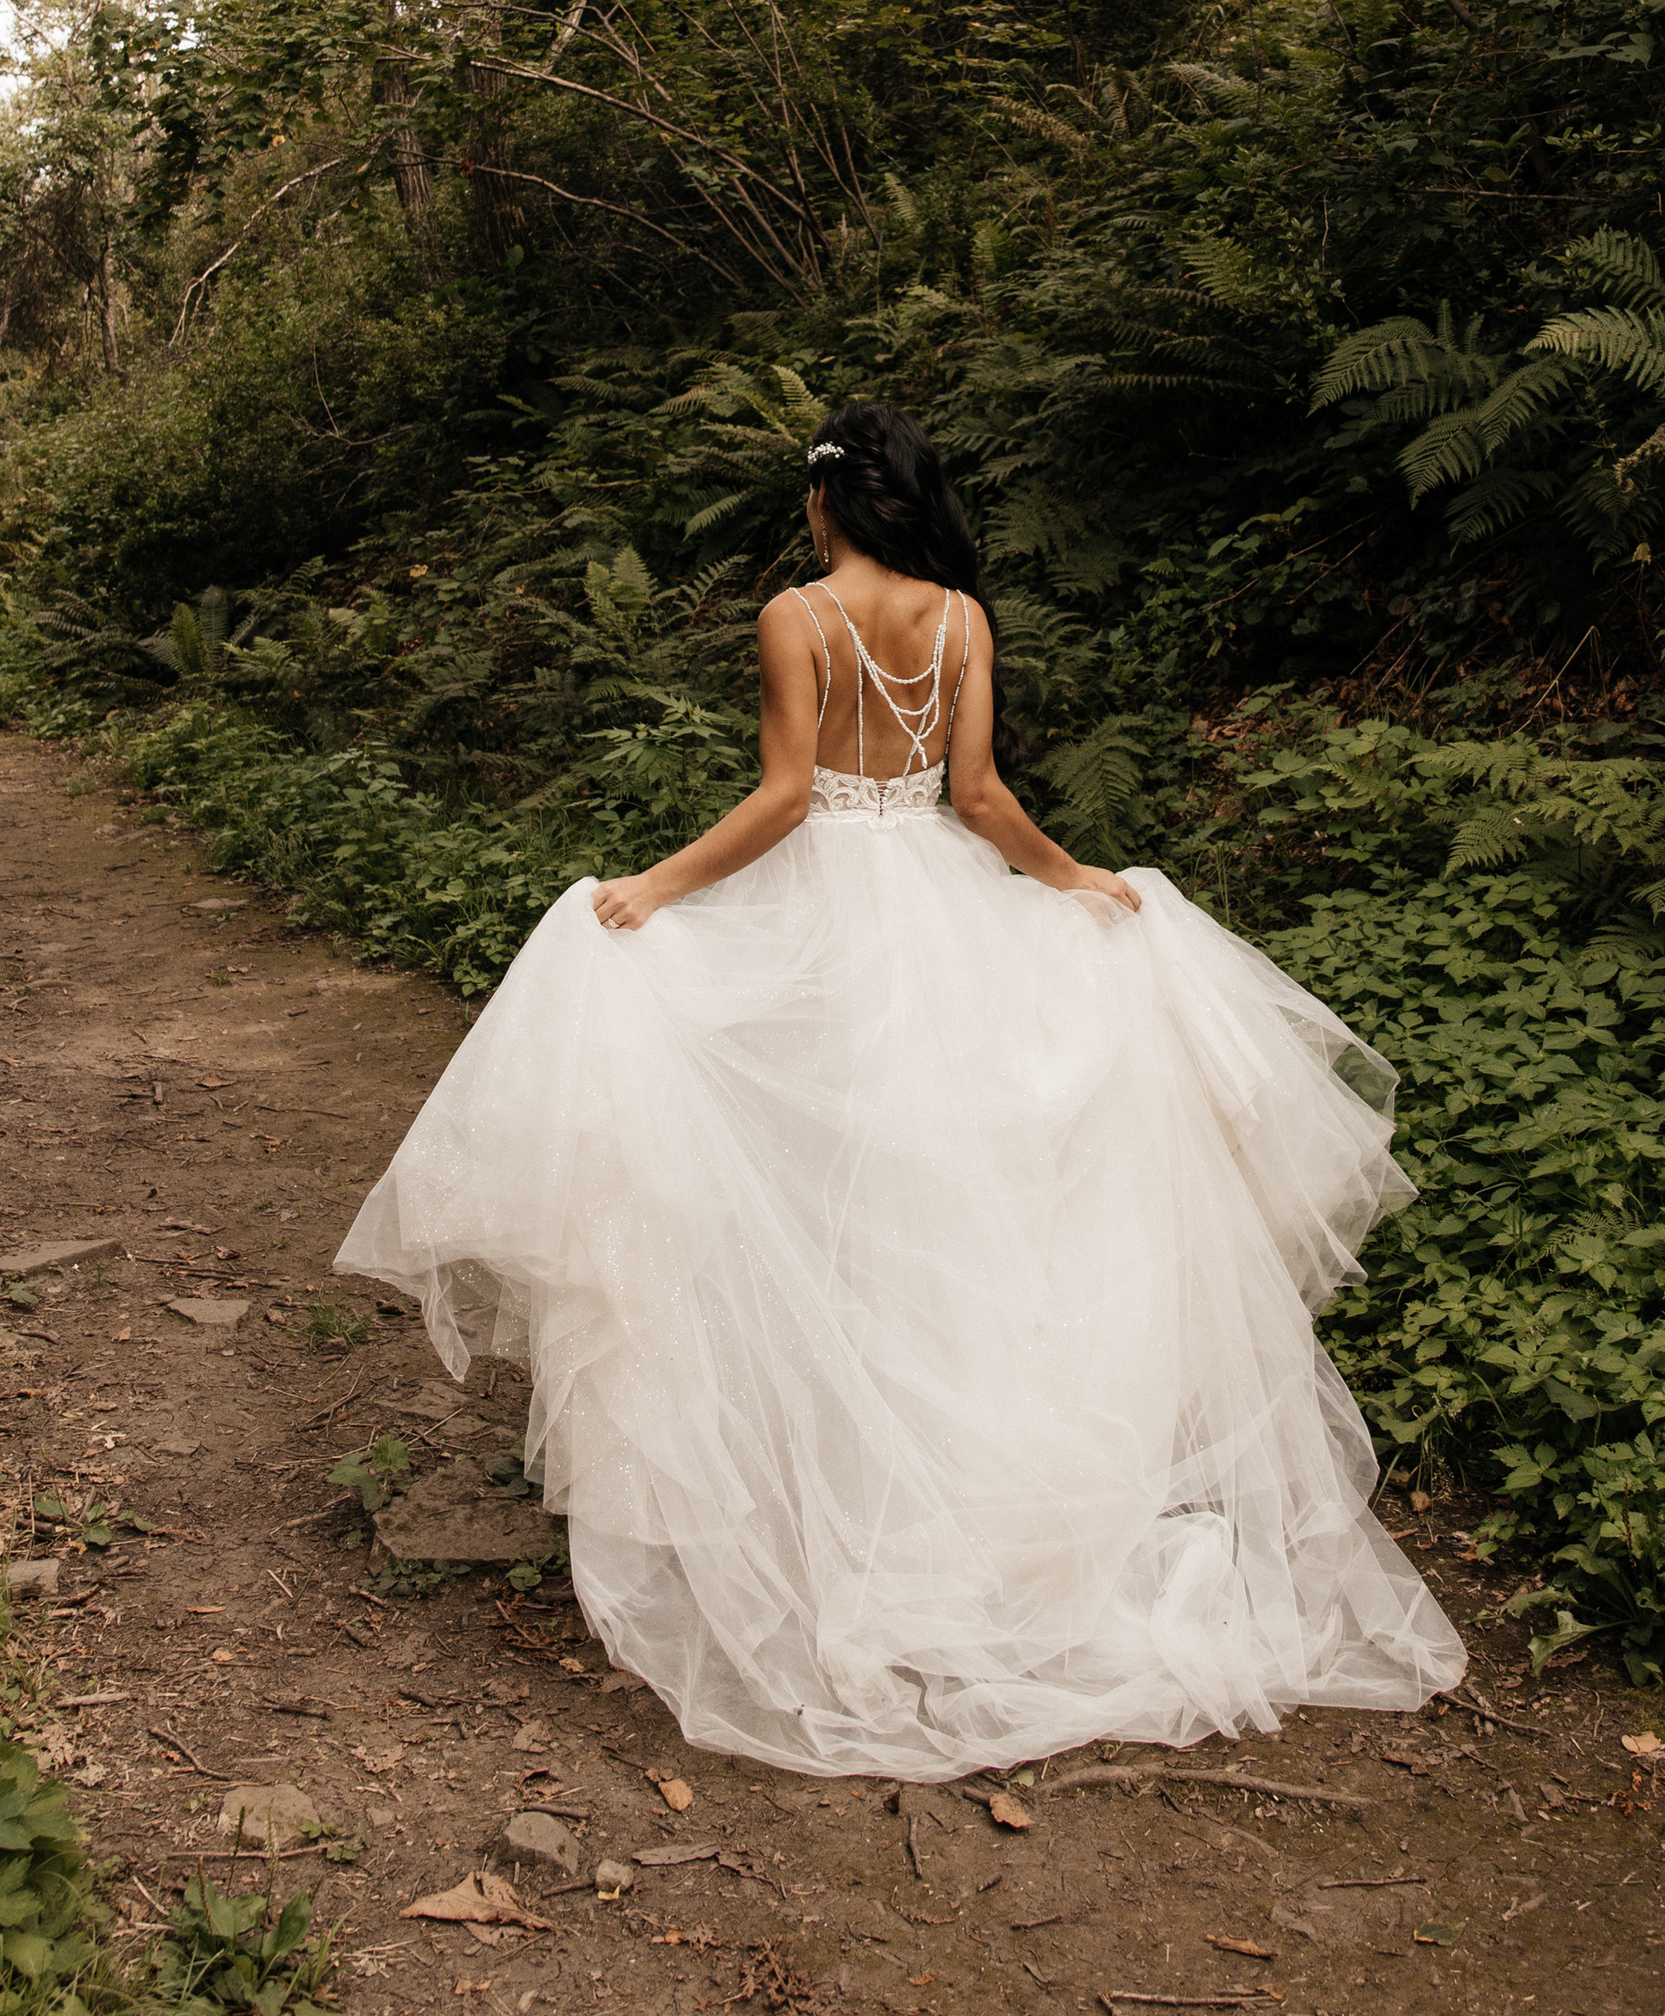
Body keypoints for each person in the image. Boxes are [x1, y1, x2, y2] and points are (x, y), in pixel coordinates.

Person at [334, 398, 1463, 1775]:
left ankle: (851, 1510)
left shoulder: (795, 619)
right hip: (942, 908)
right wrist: (1076, 886)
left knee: (830, 1197)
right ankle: (970, 1518)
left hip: (828, 926)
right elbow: (978, 796)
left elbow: (788, 798)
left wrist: (650, 890)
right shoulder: (964, 618)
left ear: (824, 505)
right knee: (955, 1202)